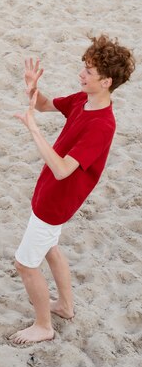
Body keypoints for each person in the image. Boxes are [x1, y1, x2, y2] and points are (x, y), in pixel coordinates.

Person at [10, 34, 135, 345]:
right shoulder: (83, 100)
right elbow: (44, 105)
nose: (81, 74)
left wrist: (34, 130)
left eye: (89, 71)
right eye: (84, 67)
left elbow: (63, 169)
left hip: (57, 200)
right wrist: (32, 88)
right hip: (51, 194)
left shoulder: (102, 125)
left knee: (25, 264)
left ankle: (43, 326)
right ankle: (65, 307)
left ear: (106, 81)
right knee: (51, 247)